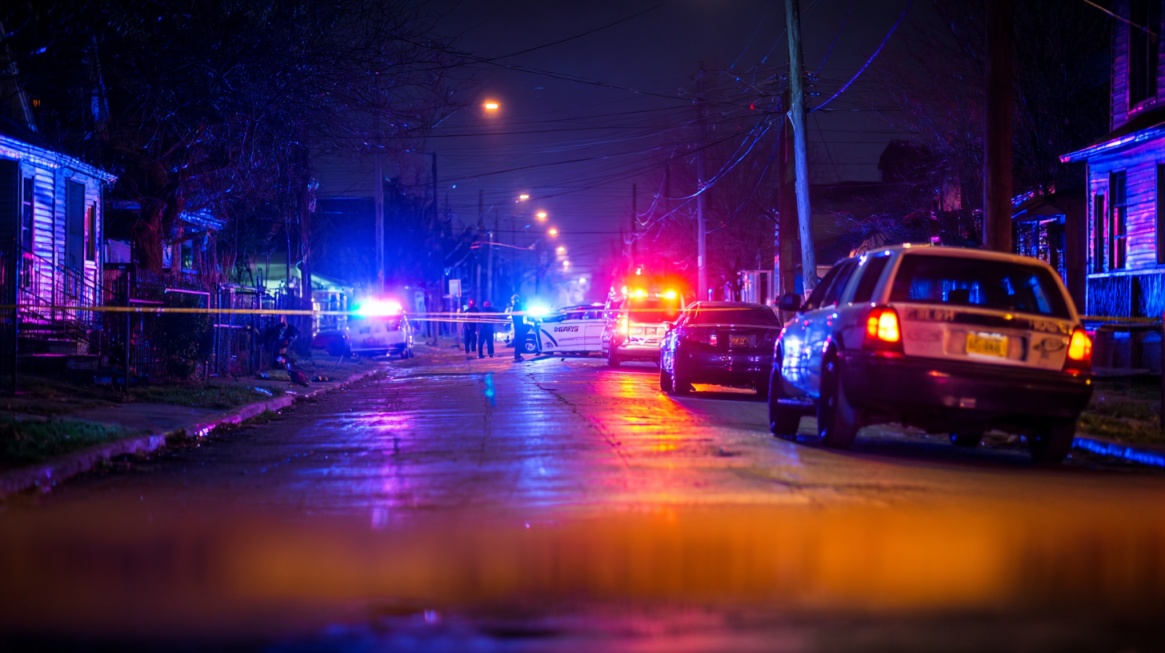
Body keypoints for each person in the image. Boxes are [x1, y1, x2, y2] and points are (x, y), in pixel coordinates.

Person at [510, 294, 527, 362]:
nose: (512, 301)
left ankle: (517, 355)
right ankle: (517, 355)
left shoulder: (515, 306)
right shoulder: (519, 306)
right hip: (519, 325)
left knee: (518, 340)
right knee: (519, 340)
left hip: (518, 326)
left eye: (512, 300)